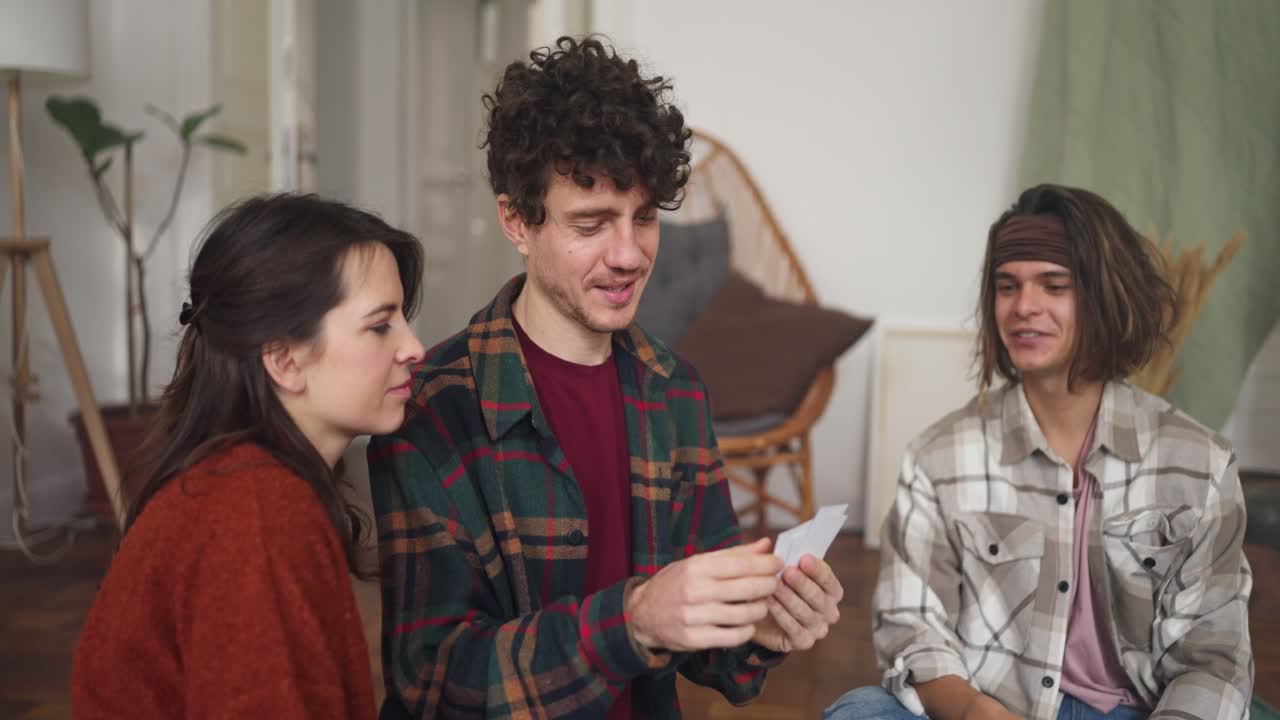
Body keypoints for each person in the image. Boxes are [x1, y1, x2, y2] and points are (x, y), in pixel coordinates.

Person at [368, 36, 845, 719]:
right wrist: (634, 621)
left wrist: (757, 629)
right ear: (516, 221)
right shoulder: (433, 410)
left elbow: (704, 649)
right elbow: (435, 684)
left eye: (644, 217)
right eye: (591, 223)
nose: (629, 254)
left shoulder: (675, 389)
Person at [825, 184, 1253, 720]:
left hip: (1133, 712)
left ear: (1105, 295)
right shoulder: (938, 458)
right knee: (862, 711)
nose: (1024, 307)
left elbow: (1212, 659)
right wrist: (972, 711)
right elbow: (911, 626)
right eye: (1007, 286)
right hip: (990, 706)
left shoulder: (1199, 462)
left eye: (1054, 285)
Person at [72, 194, 426, 719]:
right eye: (380, 325)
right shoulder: (254, 512)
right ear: (284, 360)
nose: (414, 347)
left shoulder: (252, 483)